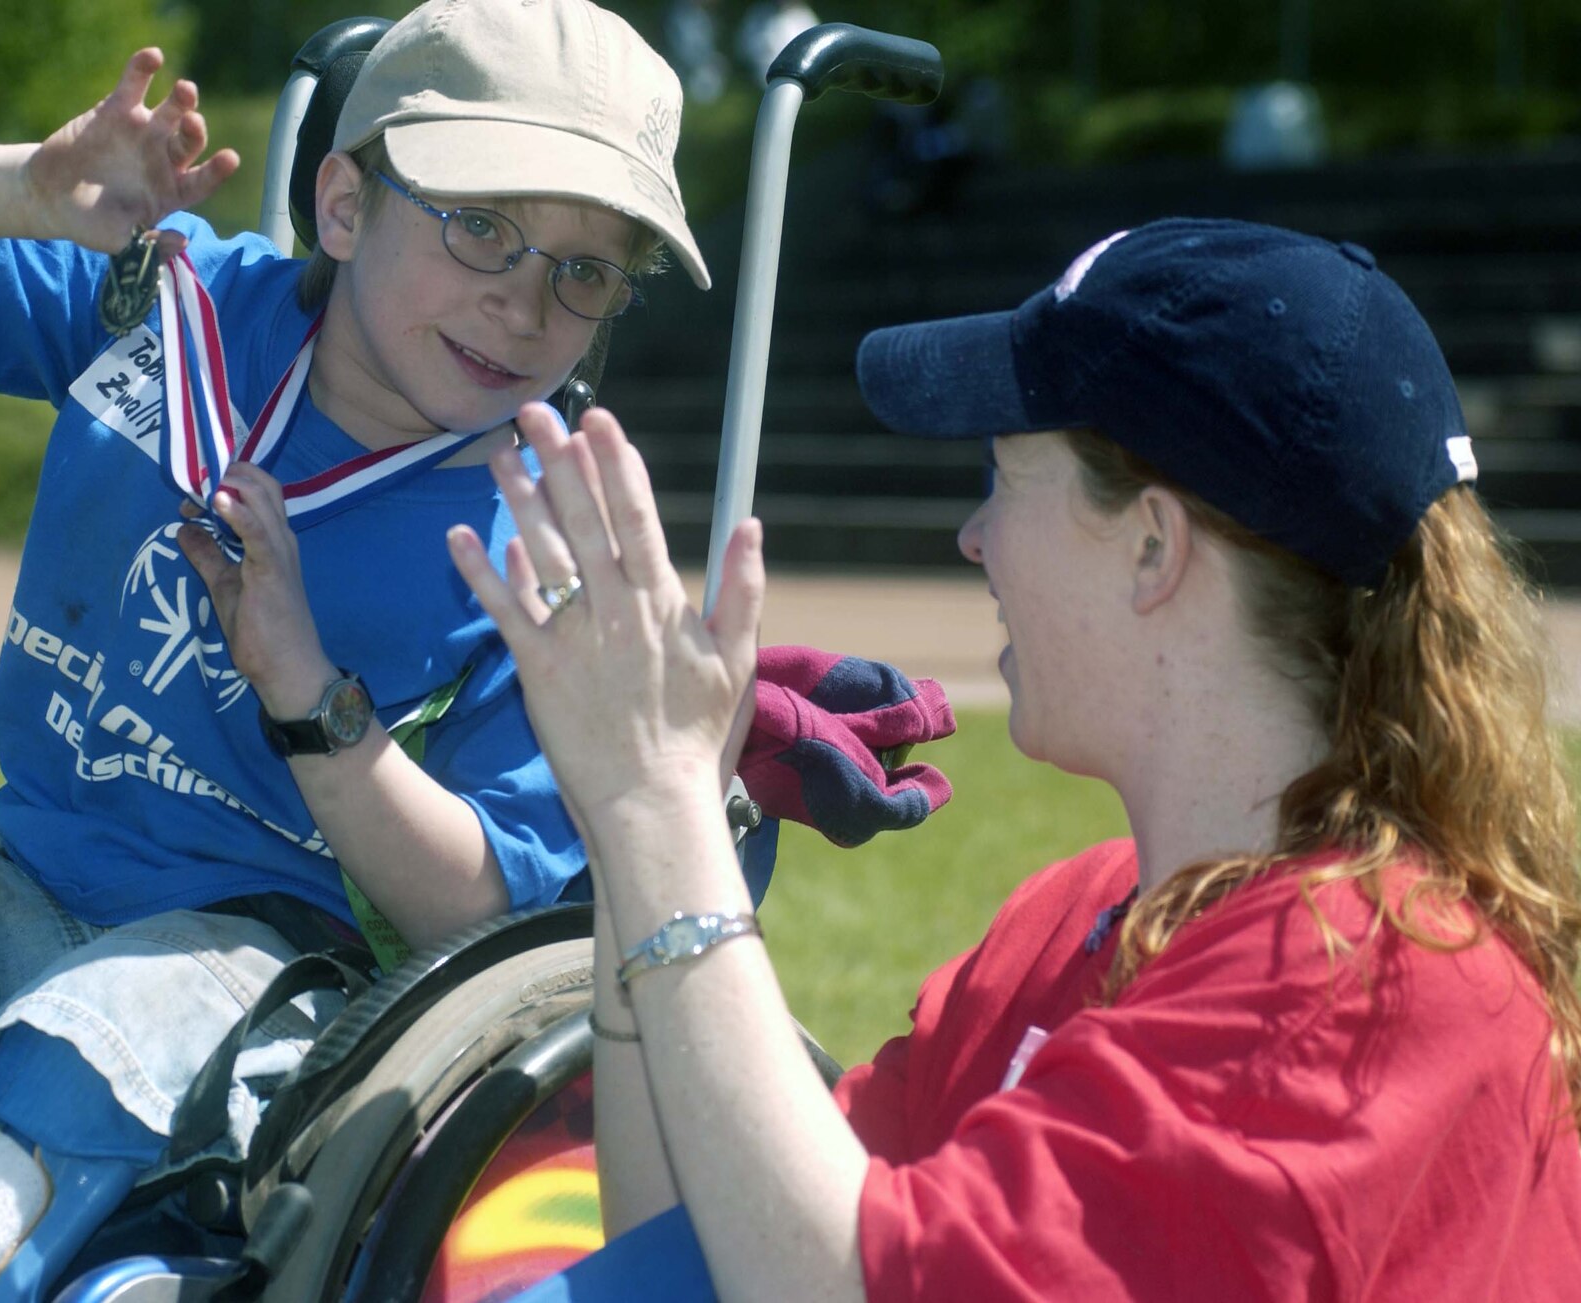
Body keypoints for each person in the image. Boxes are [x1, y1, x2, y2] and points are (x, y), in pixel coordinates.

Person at [0, 1, 710, 1298]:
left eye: (587, 271)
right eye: (482, 225)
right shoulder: (173, 305)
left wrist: (308, 692)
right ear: (346, 204)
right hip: (32, 876)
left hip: (270, 963)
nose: (526, 301)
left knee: (91, 1040)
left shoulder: (546, 535)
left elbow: (474, 912)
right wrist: (24, 189)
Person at [448, 218, 1581, 1299]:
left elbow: (833, 1284)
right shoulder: (1073, 916)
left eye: (1003, 474)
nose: (972, 537)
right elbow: (701, 1248)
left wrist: (661, 809)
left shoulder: (1363, 986)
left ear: (1150, 546)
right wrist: (636, 825)